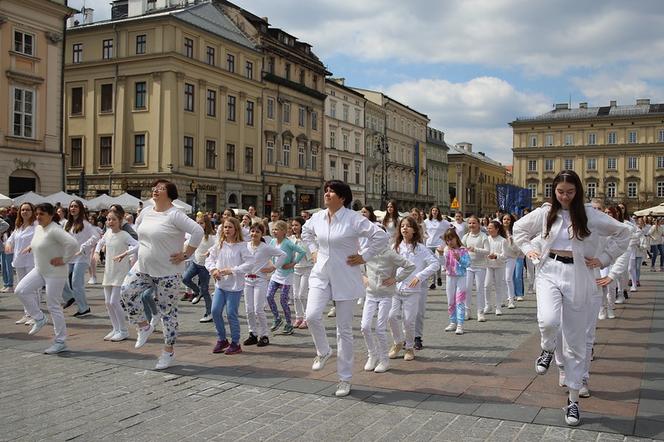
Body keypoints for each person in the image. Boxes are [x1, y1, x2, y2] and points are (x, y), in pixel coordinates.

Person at [513, 170, 630, 427]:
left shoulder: (590, 215)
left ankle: (574, 398)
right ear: (553, 191)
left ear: (578, 191)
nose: (565, 197)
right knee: (548, 321)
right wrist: (530, 249)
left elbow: (624, 234)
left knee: (576, 341)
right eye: (560, 192)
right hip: (549, 270)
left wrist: (605, 259)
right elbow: (519, 229)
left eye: (570, 192)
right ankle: (547, 347)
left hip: (579, 273)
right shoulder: (545, 213)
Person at [302, 180, 388, 397]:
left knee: (344, 330)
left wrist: (364, 257)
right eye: (326, 191)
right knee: (311, 316)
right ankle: (323, 351)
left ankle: (344, 378)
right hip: (321, 273)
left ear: (343, 197)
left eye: (332, 191)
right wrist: (313, 250)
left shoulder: (353, 219)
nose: (327, 194)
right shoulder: (318, 217)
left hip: (346, 276)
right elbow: (305, 232)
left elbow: (380, 236)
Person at [120, 179, 204, 370]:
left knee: (168, 312)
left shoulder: (175, 214)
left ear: (170, 193)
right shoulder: (146, 211)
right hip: (143, 267)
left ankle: (168, 351)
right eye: (155, 187)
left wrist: (186, 254)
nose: (156, 190)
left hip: (168, 272)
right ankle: (143, 325)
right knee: (126, 292)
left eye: (161, 188)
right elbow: (140, 237)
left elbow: (197, 231)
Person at [14, 203, 79, 354]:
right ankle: (39, 318)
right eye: (36, 214)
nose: (38, 217)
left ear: (50, 215)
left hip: (55, 273)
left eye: (41, 214)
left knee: (53, 305)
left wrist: (64, 259)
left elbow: (73, 244)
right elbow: (40, 242)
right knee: (20, 290)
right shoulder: (38, 228)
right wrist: (31, 246)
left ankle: (60, 341)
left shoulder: (55, 230)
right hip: (40, 269)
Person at [388, 216, 438, 361]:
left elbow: (434, 264)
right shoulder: (395, 247)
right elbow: (389, 264)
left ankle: (409, 347)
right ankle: (397, 342)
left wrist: (420, 276)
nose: (404, 228)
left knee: (409, 320)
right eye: (402, 226)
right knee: (391, 316)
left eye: (408, 226)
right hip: (396, 289)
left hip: (412, 290)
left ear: (415, 230)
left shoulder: (421, 249)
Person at [361, 242, 415, 373]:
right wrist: (363, 277)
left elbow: (410, 266)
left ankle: (384, 360)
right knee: (365, 326)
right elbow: (358, 265)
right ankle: (372, 355)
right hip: (370, 294)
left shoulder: (390, 254)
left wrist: (396, 279)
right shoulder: (367, 252)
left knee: (380, 328)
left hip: (386, 295)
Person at [205, 216, 254, 355]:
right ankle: (222, 339)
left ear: (236, 229)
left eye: (230, 227)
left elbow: (249, 264)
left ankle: (235, 342)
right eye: (225, 227)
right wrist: (213, 269)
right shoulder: (219, 244)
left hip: (235, 286)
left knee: (231, 313)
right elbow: (209, 259)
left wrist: (232, 270)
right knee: (215, 311)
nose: (227, 230)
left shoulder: (242, 246)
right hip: (220, 285)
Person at [94, 211, 138, 341]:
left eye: (113, 219)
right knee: (108, 303)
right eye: (108, 219)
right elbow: (99, 243)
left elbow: (138, 245)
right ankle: (115, 329)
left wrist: (125, 253)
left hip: (120, 272)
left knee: (114, 301)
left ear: (120, 221)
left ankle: (123, 330)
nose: (110, 222)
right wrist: (96, 253)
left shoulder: (124, 235)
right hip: (109, 272)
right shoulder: (107, 233)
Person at [243, 222, 285, 347]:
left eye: (257, 232)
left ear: (262, 234)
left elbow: (283, 254)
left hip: (260, 280)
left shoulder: (265, 247)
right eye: (252, 231)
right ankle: (252, 334)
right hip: (247, 280)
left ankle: (264, 335)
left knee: (258, 309)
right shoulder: (245, 246)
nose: (254, 234)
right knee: (248, 309)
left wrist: (273, 267)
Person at [61, 200, 101, 317]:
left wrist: (84, 246)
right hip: (69, 257)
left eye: (76, 206)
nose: (73, 208)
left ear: (80, 209)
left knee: (76, 283)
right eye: (71, 206)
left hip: (82, 257)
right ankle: (69, 297)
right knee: (59, 276)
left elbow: (96, 236)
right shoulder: (67, 224)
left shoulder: (86, 224)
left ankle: (84, 308)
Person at [266, 220, 306, 335]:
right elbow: (268, 253)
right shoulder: (273, 241)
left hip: (287, 275)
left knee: (283, 300)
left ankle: (289, 324)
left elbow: (302, 252)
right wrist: (271, 263)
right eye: (273, 229)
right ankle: (277, 318)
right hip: (276, 274)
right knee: (269, 296)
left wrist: (293, 263)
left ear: (283, 231)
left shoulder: (288, 243)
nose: (274, 231)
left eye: (276, 229)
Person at [182, 214, 217, 322]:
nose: (198, 225)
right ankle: (197, 291)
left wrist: (210, 252)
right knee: (185, 279)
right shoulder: (195, 235)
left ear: (206, 224)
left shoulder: (212, 237)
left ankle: (209, 313)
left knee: (205, 290)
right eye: (197, 223)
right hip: (195, 263)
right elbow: (186, 243)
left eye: (201, 223)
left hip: (205, 267)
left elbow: (218, 247)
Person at [6, 203, 37, 323]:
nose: (25, 212)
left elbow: (40, 239)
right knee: (22, 289)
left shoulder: (36, 225)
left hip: (31, 261)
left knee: (33, 289)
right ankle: (27, 314)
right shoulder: (19, 226)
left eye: (28, 210)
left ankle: (36, 315)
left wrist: (31, 245)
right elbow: (11, 239)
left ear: (32, 211)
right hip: (19, 261)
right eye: (23, 210)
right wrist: (8, 244)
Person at [439, 229, 471, 335]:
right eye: (447, 240)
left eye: (451, 239)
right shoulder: (446, 250)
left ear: (456, 238)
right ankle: (453, 321)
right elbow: (443, 264)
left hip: (461, 277)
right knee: (450, 301)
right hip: (450, 277)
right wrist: (440, 255)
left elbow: (468, 264)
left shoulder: (463, 250)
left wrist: (459, 259)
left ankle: (460, 324)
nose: (450, 242)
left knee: (460, 301)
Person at [462, 215, 490, 322]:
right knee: (467, 289)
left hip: (480, 266)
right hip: (469, 266)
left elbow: (487, 251)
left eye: (474, 223)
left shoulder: (483, 236)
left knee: (479, 289)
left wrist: (475, 249)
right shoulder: (466, 236)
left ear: (478, 224)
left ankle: (480, 312)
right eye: (470, 223)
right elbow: (461, 248)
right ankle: (467, 311)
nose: (472, 225)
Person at [290, 217, 313, 329]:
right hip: (295, 269)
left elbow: (309, 253)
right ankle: (298, 317)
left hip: (307, 268)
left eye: (296, 225)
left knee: (302, 295)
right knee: (295, 295)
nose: (294, 228)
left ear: (302, 226)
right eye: (293, 225)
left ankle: (306, 318)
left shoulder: (307, 239)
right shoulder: (291, 239)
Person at [484, 220, 508, 316]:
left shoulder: (503, 240)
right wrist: (487, 256)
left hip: (499, 266)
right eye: (488, 228)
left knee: (498, 286)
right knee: (486, 285)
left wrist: (496, 256)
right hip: (488, 265)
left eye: (490, 228)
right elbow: (483, 251)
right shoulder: (486, 239)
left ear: (497, 229)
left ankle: (498, 307)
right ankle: (488, 305)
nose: (488, 229)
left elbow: (505, 256)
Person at [424, 206, 451, 290]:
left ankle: (439, 277)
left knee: (438, 261)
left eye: (436, 211)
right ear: (431, 212)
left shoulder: (443, 222)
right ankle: (432, 282)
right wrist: (426, 236)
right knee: (431, 263)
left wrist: (444, 237)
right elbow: (423, 231)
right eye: (433, 210)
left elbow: (452, 229)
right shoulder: (426, 221)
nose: (434, 212)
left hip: (439, 244)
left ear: (438, 212)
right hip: (429, 244)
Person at [502, 213, 522, 309]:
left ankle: (511, 300)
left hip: (511, 258)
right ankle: (502, 299)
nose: (506, 221)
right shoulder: (499, 232)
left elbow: (517, 249)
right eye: (504, 219)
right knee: (501, 280)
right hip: (500, 258)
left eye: (508, 219)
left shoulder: (514, 232)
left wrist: (512, 242)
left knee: (508, 278)